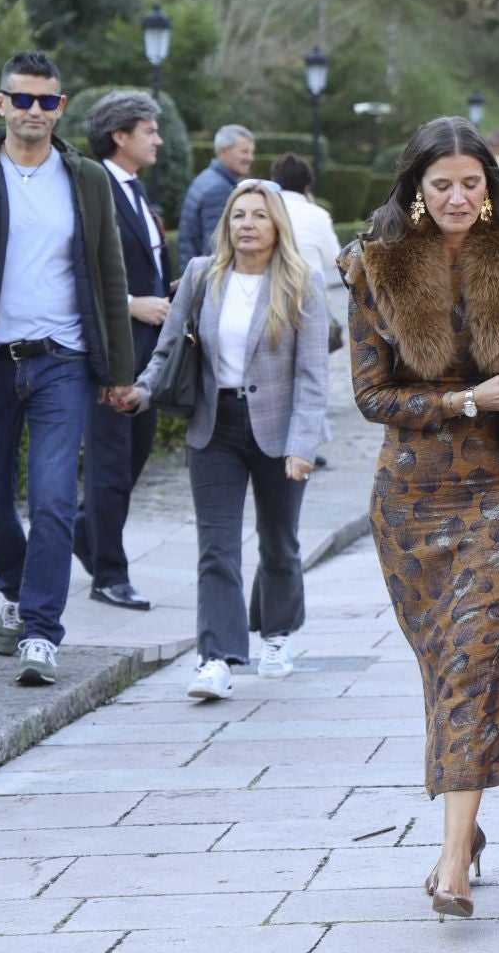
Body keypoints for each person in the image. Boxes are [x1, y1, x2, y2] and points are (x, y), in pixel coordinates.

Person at [340, 117, 499, 918]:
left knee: (471, 653)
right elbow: (372, 397)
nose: (460, 197)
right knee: (444, 662)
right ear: (414, 191)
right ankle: (465, 822)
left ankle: (451, 863)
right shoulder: (374, 270)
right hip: (409, 496)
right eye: (442, 185)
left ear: (490, 185)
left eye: (473, 183)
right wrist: (466, 398)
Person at [0, 52, 136, 686]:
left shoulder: (86, 179)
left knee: (52, 499)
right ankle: (18, 591)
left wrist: (117, 370)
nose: (33, 111)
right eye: (22, 99)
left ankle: (40, 631)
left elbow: (109, 272)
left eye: (46, 101)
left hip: (61, 362)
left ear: (61, 108)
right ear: (0, 103)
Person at [129, 179, 328, 696]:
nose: (247, 225)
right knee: (216, 547)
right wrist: (142, 391)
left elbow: (312, 375)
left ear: (277, 224)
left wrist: (303, 446)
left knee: (279, 542)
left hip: (280, 429)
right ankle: (216, 657)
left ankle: (278, 633)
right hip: (213, 425)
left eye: (259, 215)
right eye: (238, 215)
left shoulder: (301, 281)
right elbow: (168, 347)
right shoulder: (202, 275)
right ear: (226, 224)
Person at [76, 91, 172, 613]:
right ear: (120, 136)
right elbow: (77, 268)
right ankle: (110, 574)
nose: (158, 139)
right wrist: (133, 304)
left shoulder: (136, 193)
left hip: (147, 352)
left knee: (133, 455)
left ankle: (82, 532)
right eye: (149, 130)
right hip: (113, 347)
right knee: (111, 464)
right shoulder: (94, 190)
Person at [178, 124, 255, 267]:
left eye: (251, 152)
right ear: (224, 152)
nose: (250, 158)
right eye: (244, 152)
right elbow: (216, 247)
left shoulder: (206, 179)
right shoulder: (220, 190)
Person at [271, 154, 344, 289]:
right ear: (308, 185)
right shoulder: (319, 215)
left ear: (274, 181)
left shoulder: (264, 210)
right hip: (310, 292)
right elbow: (332, 259)